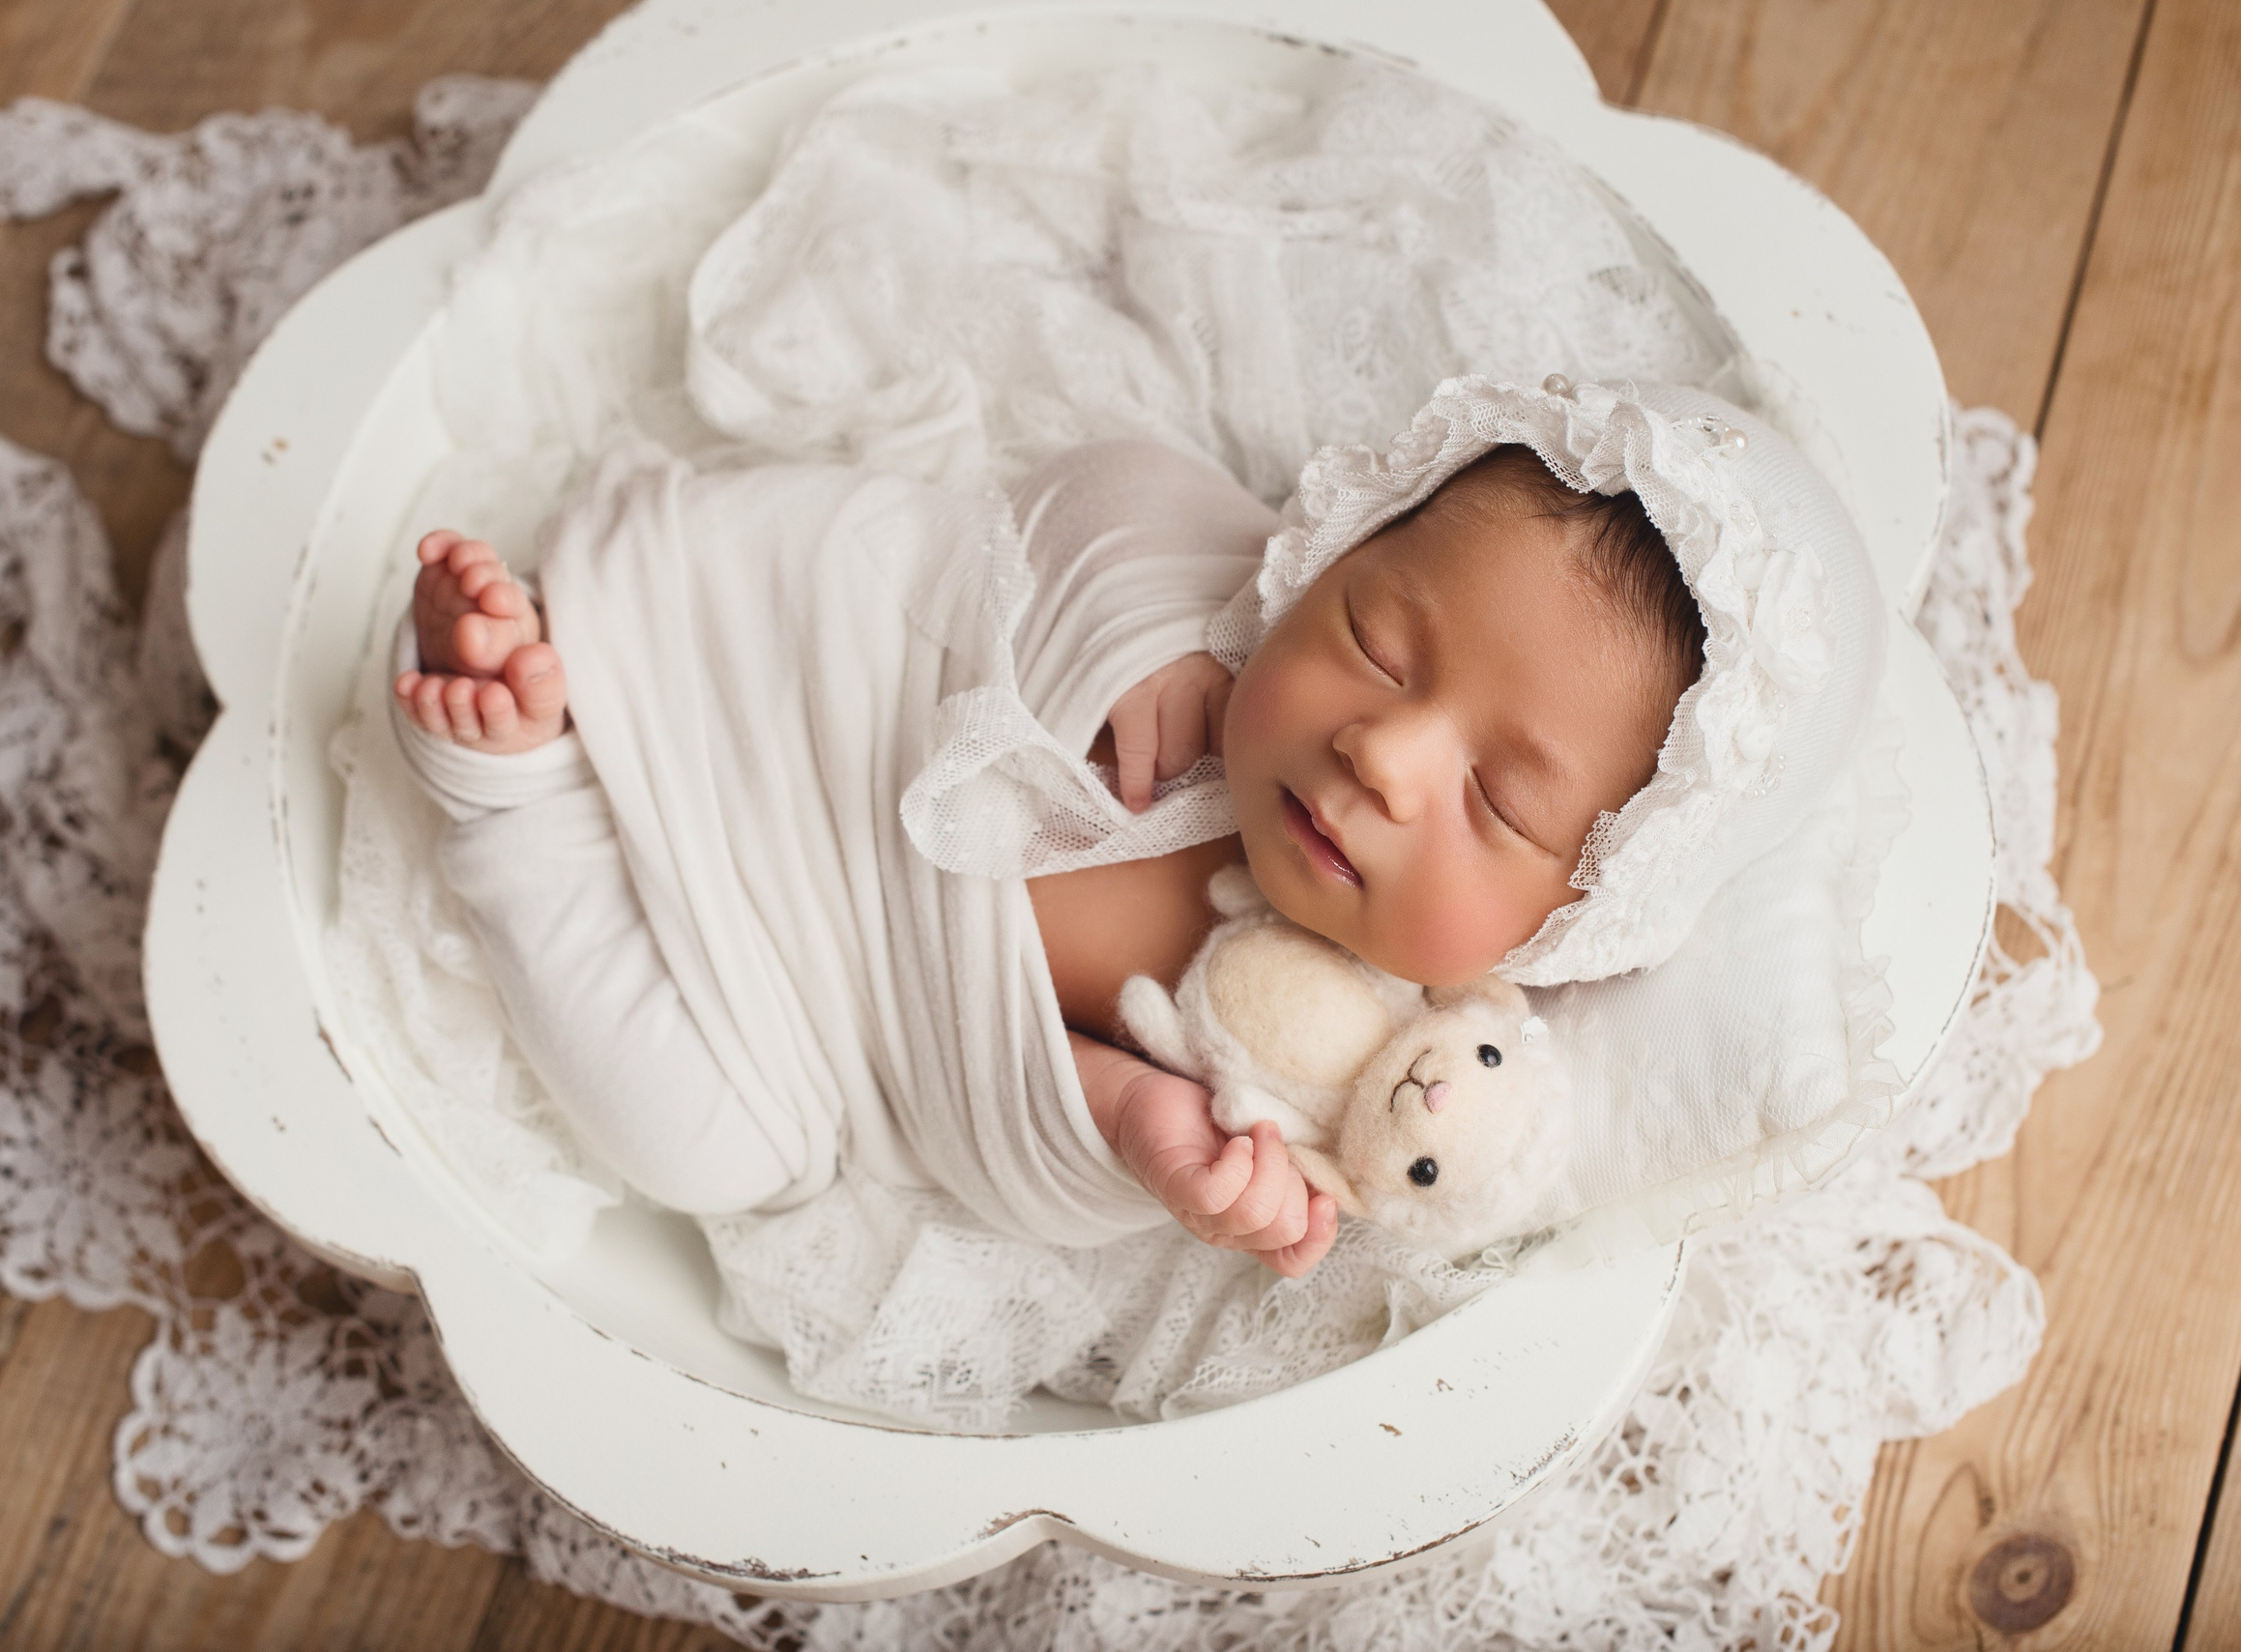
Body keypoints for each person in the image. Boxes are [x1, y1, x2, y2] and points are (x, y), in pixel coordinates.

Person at [390, 395, 1713, 1279]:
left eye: (1501, 803)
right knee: (828, 558)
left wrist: (1141, 1124)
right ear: (1331, 558)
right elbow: (1107, 481)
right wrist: (1139, 628)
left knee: (702, 1147)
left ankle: (515, 783)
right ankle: (588, 636)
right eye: (1374, 639)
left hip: (828, 999)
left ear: (1575, 912)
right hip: (823, 682)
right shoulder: (1224, 615)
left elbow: (1002, 1112)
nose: (1386, 750)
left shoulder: (1351, 1051)